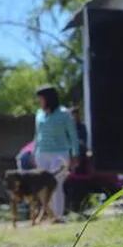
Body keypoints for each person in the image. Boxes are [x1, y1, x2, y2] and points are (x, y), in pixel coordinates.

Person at [33, 85, 79, 222]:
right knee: (43, 186)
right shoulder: (39, 114)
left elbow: (73, 136)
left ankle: (58, 216)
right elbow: (37, 135)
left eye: (41, 98)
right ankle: (48, 214)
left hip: (60, 154)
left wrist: (75, 154)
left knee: (56, 185)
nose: (39, 101)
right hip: (42, 154)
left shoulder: (64, 114)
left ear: (48, 98)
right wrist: (34, 152)